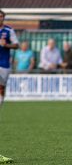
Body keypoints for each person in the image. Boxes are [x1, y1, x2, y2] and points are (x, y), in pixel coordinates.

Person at [0, 9, 18, 164]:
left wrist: (7, 45)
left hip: (4, 65)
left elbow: (16, 45)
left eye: (1, 16)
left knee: (1, 89)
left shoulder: (8, 30)